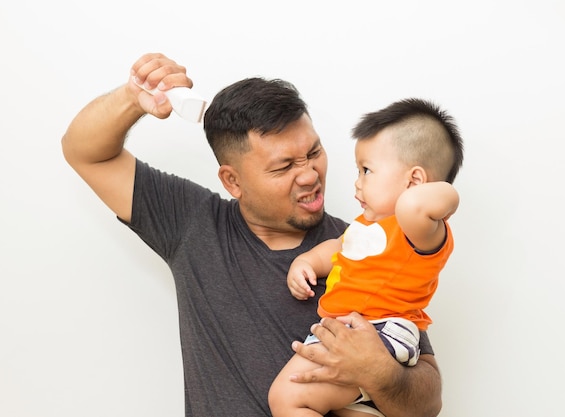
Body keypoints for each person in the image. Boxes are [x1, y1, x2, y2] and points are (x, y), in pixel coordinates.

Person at [61, 52, 443, 417]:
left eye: (313, 153)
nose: (309, 174)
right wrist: (133, 97)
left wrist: (379, 372)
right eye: (284, 167)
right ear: (233, 180)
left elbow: (427, 403)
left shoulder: (366, 243)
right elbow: (85, 152)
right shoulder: (191, 223)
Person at [268, 98, 464, 417]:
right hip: (360, 332)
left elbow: (417, 205)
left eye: (367, 170)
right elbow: (337, 249)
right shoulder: (366, 227)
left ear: (414, 182)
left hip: (379, 332)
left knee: (287, 397)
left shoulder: (416, 228)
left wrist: (444, 194)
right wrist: (305, 263)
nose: (357, 183)